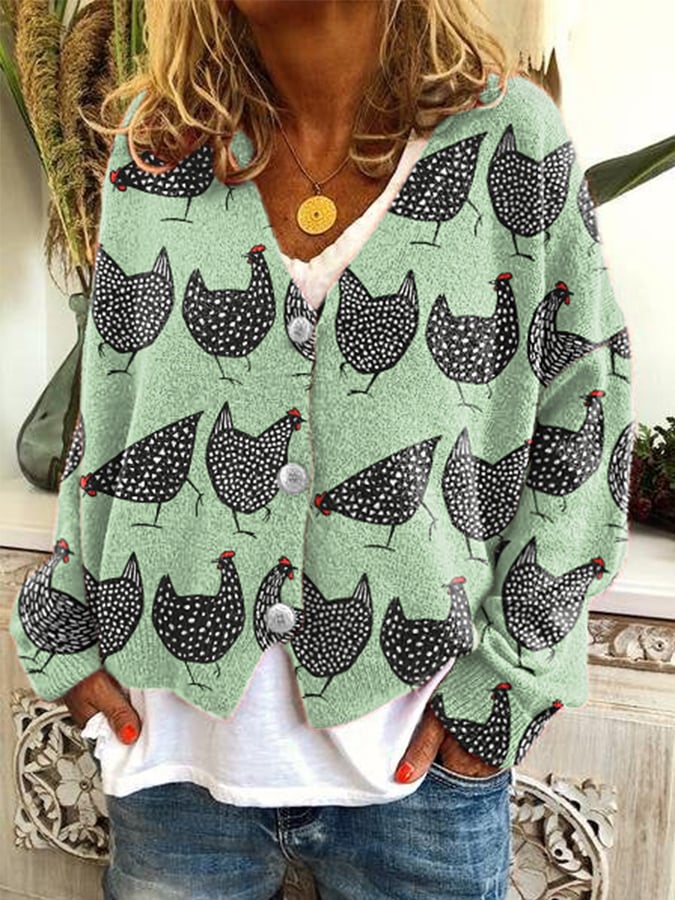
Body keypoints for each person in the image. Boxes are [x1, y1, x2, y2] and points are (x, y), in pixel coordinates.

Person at [10, 1, 634, 898]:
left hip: (418, 779)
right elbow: (109, 413)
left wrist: (504, 687)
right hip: (173, 766)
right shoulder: (157, 149)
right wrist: (64, 627)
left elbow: (587, 420)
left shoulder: (510, 142)